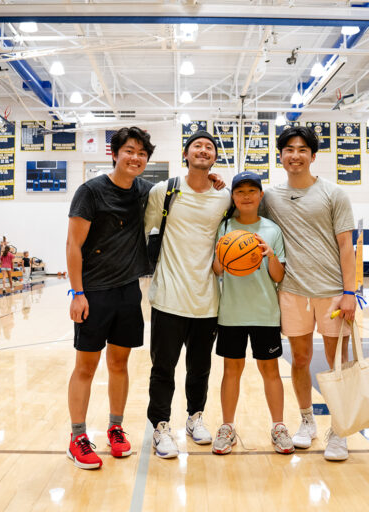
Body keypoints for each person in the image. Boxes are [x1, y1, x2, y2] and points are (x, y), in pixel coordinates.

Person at [260, 125, 356, 461]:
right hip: (292, 291)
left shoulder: (334, 194)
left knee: (337, 364)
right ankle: (307, 421)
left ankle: (340, 430)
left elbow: (346, 245)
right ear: (281, 156)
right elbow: (241, 205)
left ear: (313, 156)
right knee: (299, 360)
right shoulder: (270, 197)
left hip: (332, 293)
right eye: (289, 149)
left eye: (302, 150)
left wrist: (350, 292)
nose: (295, 155)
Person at [65, 126, 158, 470]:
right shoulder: (90, 191)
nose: (135, 157)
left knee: (119, 364)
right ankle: (77, 437)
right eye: (129, 151)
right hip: (93, 292)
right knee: (86, 367)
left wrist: (212, 180)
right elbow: (73, 244)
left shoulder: (145, 191)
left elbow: (180, 193)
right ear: (114, 154)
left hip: (128, 291)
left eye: (142, 153)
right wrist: (77, 293)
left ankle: (115, 428)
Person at [143, 130, 232, 459]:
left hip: (207, 299)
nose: (203, 150)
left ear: (215, 157)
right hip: (169, 296)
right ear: (186, 153)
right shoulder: (164, 191)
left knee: (200, 369)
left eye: (209, 147)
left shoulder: (224, 197)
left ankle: (195, 418)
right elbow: (144, 230)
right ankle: (161, 426)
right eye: (197, 146)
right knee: (163, 368)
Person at [210, 172, 293, 455]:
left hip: (265, 313)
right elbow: (217, 271)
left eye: (251, 191)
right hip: (231, 313)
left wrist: (270, 255)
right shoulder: (224, 227)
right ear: (233, 197)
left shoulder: (272, 230)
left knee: (270, 371)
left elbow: (278, 276)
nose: (246, 196)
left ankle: (279, 426)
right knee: (231, 370)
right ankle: (227, 427)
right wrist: (224, 257)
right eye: (240, 191)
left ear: (260, 195)